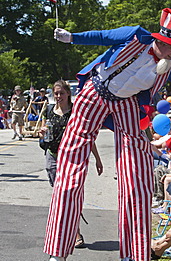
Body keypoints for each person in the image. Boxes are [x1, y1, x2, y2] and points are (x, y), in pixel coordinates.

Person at [47, 8, 171, 261]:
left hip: (127, 104)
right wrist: (72, 37)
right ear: (162, 41)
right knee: (70, 167)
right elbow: (102, 36)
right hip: (95, 92)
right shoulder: (135, 36)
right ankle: (58, 251)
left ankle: (133, 254)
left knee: (137, 176)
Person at [39, 80, 103, 249]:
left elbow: (87, 136)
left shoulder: (75, 111)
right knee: (60, 196)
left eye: (61, 93)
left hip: (72, 158)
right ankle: (64, 232)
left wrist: (97, 158)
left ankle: (75, 233)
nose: (58, 96)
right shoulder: (49, 110)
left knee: (69, 195)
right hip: (52, 156)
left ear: (68, 93)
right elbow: (45, 131)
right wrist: (42, 133)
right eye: (55, 93)